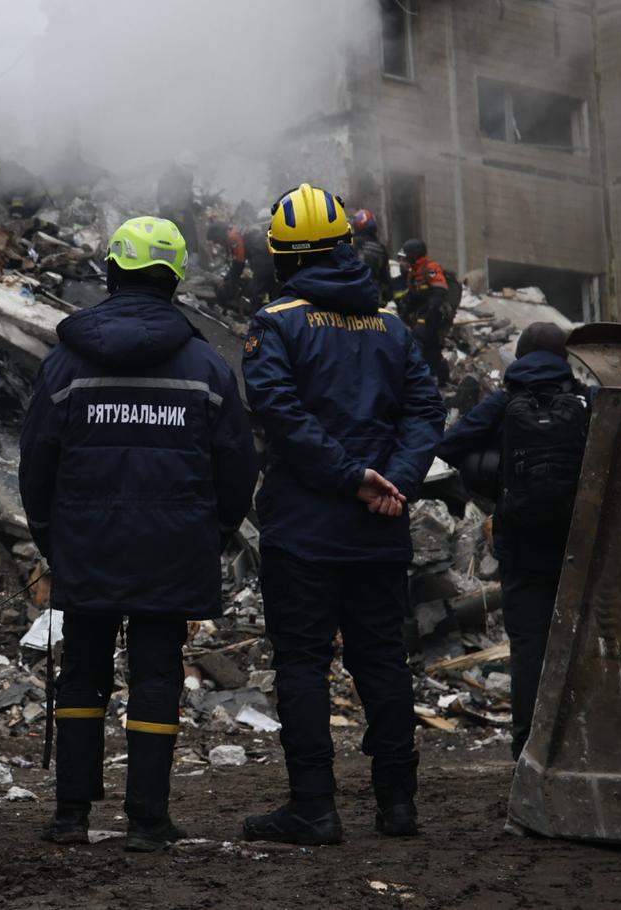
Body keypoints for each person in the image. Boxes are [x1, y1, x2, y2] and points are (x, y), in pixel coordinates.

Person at [20, 216, 257, 852]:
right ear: (173, 281)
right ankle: (148, 819)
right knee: (155, 677)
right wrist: (213, 534)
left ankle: (70, 815)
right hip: (173, 548)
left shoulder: (65, 362)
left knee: (83, 672)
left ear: (112, 272)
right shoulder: (207, 365)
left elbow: (37, 457)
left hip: (87, 543)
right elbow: (237, 464)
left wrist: (51, 536)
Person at [239, 183, 445, 846]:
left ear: (284, 257)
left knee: (302, 663)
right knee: (382, 660)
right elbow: (425, 410)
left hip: (304, 530)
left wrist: (352, 478)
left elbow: (280, 414)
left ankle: (314, 808)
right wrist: (397, 482)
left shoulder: (277, 323)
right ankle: (400, 804)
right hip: (379, 527)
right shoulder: (389, 324)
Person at [434, 323, 590, 760]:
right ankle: (580, 747)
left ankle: (527, 750)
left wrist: (493, 466)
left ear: (520, 358)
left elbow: (447, 448)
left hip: (521, 547)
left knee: (528, 649)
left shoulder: (504, 403)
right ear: (564, 358)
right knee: (582, 645)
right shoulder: (587, 401)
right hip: (580, 547)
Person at [396, 238, 453, 385]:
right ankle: (442, 378)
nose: (404, 261)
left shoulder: (431, 268)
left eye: (406, 256)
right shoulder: (413, 273)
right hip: (423, 314)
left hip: (436, 314)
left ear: (415, 255)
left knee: (417, 340)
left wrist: (428, 314)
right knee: (431, 349)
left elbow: (440, 290)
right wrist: (402, 315)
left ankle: (417, 379)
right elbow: (413, 297)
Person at [156, 152, 201, 263]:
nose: (191, 171)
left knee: (191, 238)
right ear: (180, 166)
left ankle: (189, 262)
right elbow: (163, 198)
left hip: (184, 213)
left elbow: (188, 195)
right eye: (189, 167)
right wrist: (170, 212)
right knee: (171, 243)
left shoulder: (187, 180)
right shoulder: (168, 179)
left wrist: (194, 203)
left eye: (193, 168)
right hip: (170, 216)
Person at [0, 157, 49, 222]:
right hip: (20, 205)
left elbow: (21, 190)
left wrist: (16, 210)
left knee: (29, 225)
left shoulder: (10, 171)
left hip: (36, 199)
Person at [350, 208, 392, 307]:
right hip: (374, 300)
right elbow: (385, 279)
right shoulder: (381, 249)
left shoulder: (350, 243)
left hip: (352, 298)